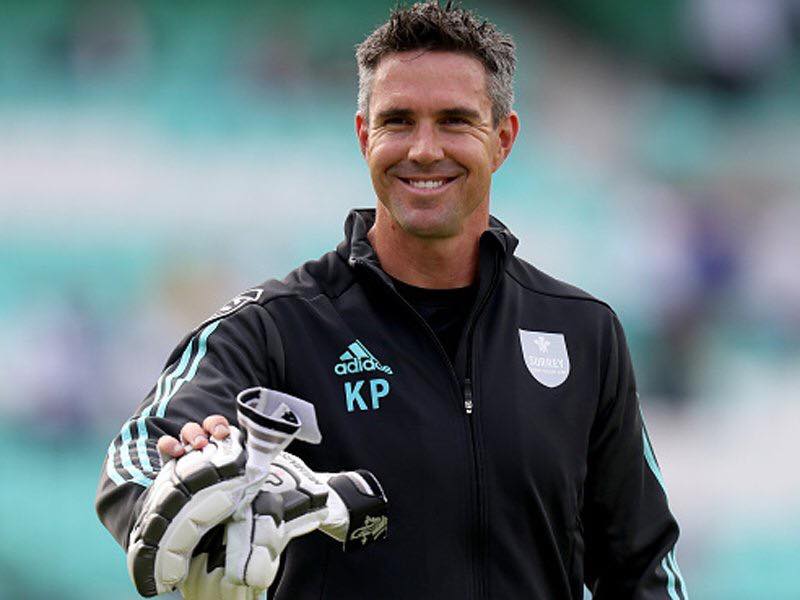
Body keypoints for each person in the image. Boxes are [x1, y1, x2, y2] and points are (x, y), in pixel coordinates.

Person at [96, 2, 689, 599]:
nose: (424, 149)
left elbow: (643, 570)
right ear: (364, 136)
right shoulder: (273, 327)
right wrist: (171, 490)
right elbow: (137, 455)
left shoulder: (583, 332)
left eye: (455, 121)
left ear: (503, 139)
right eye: (398, 121)